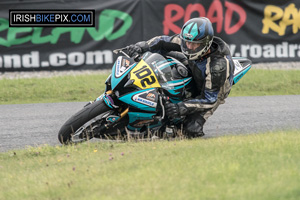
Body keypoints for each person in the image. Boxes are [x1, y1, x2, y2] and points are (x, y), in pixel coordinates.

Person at [127, 17, 235, 137]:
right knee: (159, 52)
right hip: (194, 66)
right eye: (187, 42)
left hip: (213, 92)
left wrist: (181, 107)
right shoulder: (188, 42)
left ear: (206, 43)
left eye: (195, 44)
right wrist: (142, 46)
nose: (189, 46)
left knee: (190, 130)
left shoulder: (218, 66)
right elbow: (162, 41)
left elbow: (209, 99)